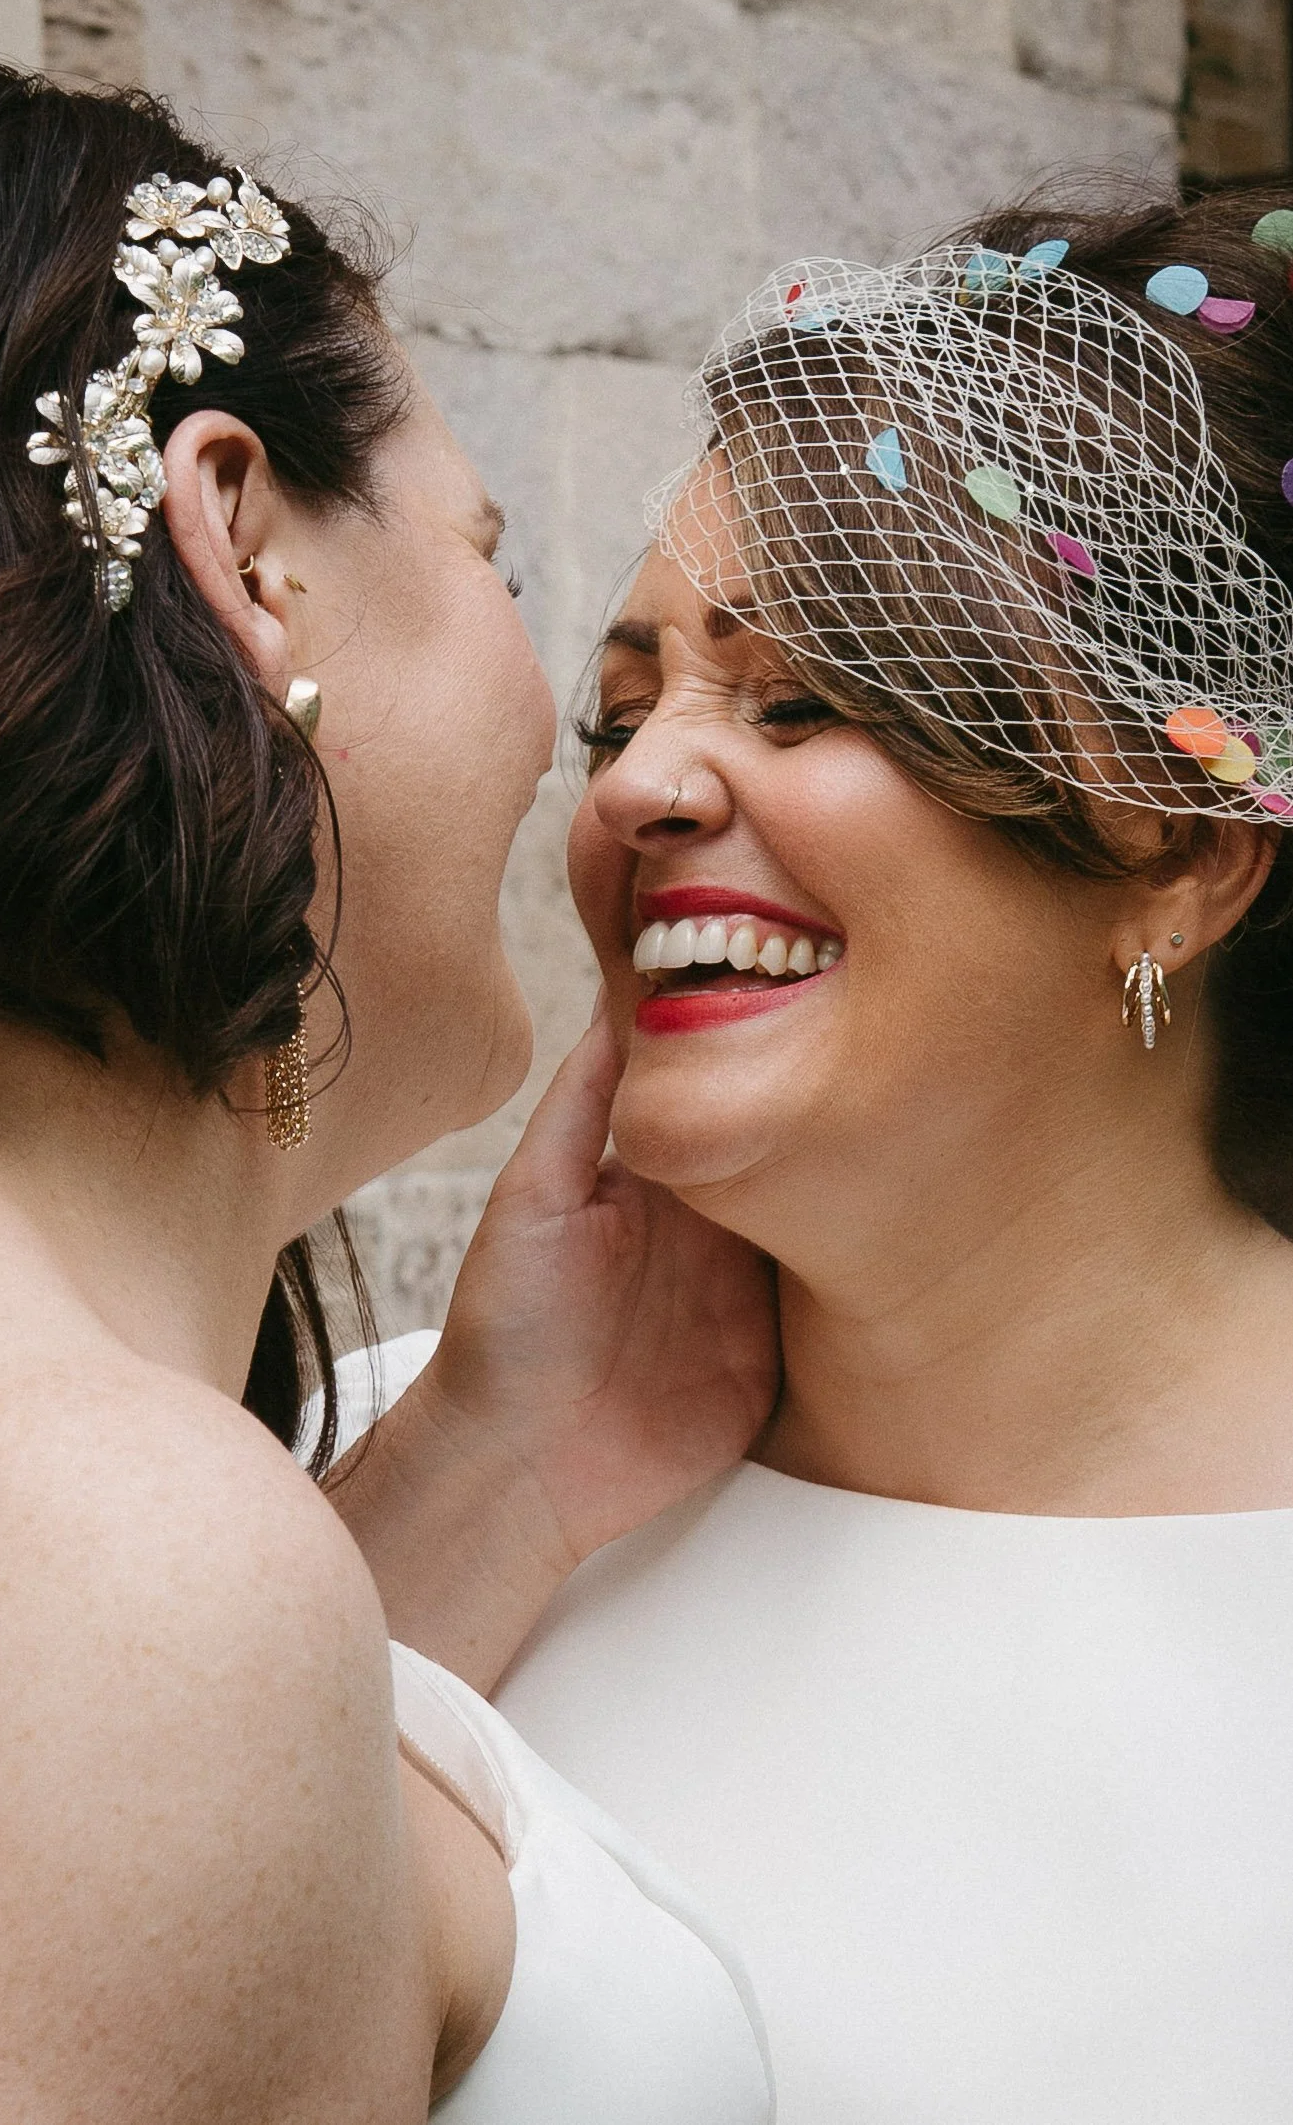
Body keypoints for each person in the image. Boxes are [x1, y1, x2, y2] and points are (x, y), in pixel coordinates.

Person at [0, 62, 782, 2123]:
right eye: (502, 570)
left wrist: (490, 1458)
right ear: (242, 543)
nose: (602, 763)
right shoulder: (94, 1547)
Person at [360, 190, 1293, 2121]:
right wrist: (485, 1469)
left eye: (801, 699)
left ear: (1181, 856)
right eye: (622, 714)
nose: (635, 787)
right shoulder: (394, 1479)